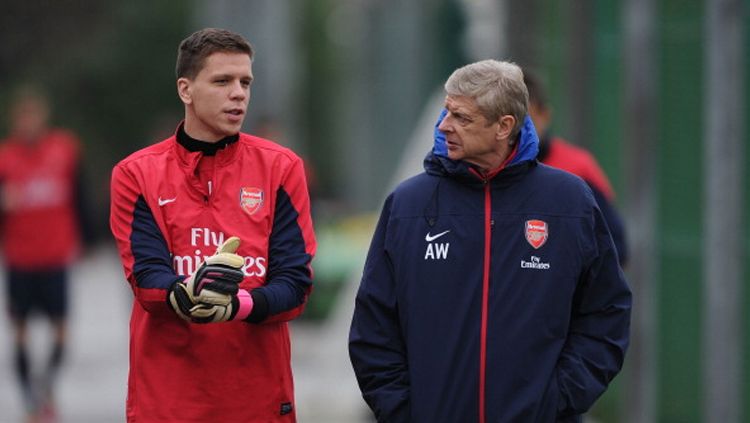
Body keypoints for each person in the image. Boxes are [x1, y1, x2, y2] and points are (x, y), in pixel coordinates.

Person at [349, 60, 631, 422]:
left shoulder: (570, 202)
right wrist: (405, 410)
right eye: (446, 111)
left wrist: (557, 400)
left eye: (461, 118)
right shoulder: (408, 205)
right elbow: (374, 324)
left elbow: (606, 311)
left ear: (504, 126)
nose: (444, 125)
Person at [109, 28, 316, 422]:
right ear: (185, 90)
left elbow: (295, 284)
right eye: (222, 81)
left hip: (258, 402)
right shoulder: (136, 173)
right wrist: (188, 294)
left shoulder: (281, 168)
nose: (238, 93)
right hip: (166, 404)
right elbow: (147, 278)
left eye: (245, 82)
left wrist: (237, 305)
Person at [0, 85, 92, 423]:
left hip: (55, 256)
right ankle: (29, 400)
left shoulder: (65, 150)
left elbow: (79, 196)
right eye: (23, 117)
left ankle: (46, 386)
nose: (29, 122)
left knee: (61, 330)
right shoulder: (5, 158)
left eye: (33, 115)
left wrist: (87, 238)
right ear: (14, 121)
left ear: (44, 117)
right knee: (20, 331)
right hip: (20, 260)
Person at [524, 71, 628, 266]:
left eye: (525, 118)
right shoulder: (486, 172)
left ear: (545, 115)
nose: (515, 128)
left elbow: (615, 247)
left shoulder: (577, 168)